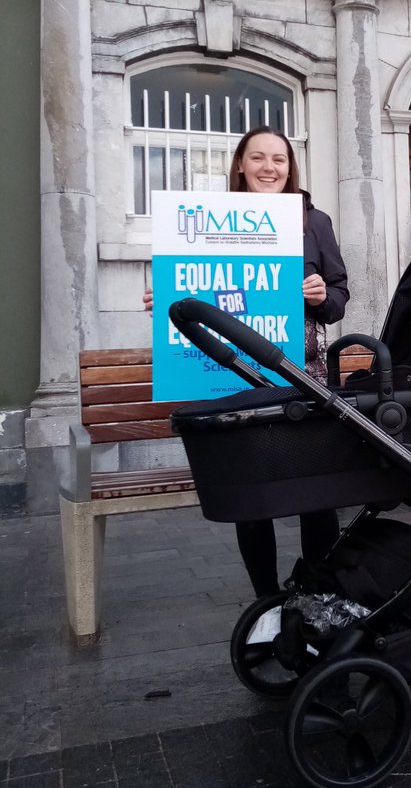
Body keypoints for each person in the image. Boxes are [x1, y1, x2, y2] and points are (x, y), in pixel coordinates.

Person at [144, 125, 349, 598]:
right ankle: (267, 602)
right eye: (258, 158)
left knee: (316, 494)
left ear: (290, 167)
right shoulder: (208, 218)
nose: (269, 168)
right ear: (240, 165)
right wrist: (169, 299)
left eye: (279, 159)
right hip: (233, 379)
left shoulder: (312, 222)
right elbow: (194, 288)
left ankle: (318, 595)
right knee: (250, 496)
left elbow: (339, 297)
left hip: (302, 376)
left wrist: (322, 295)